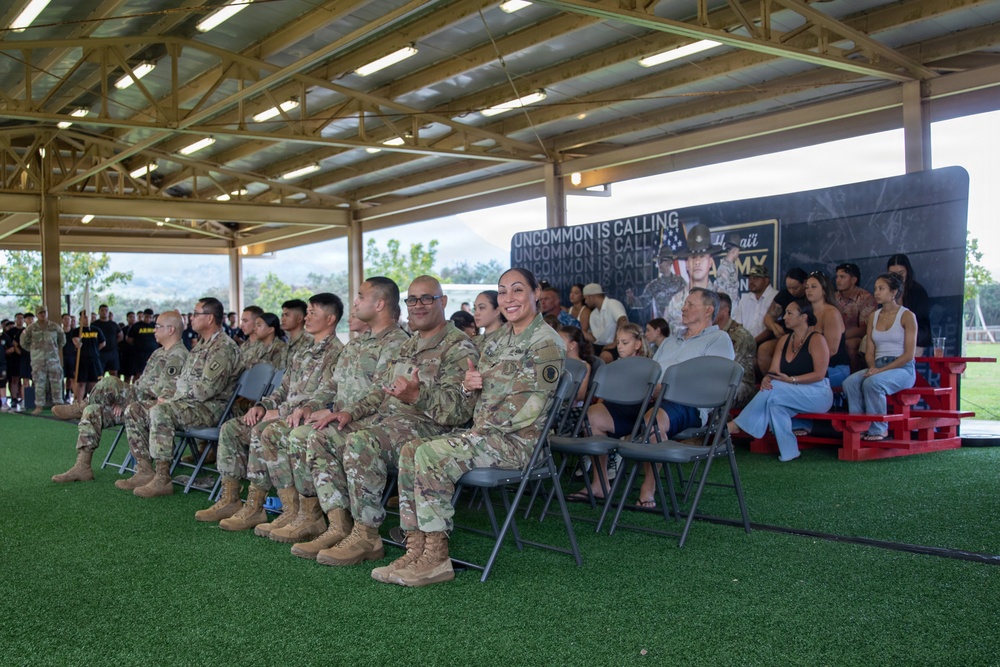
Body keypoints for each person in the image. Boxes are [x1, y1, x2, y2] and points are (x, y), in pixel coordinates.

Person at [372, 267, 565, 587]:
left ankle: (435, 558)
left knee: (432, 454)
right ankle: (416, 547)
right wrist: (469, 386)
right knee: (410, 450)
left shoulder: (545, 343)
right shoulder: (496, 339)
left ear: (535, 294)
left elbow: (532, 407)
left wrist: (480, 430)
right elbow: (475, 394)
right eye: (502, 291)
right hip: (485, 434)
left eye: (518, 290)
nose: (508, 298)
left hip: (517, 442)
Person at [297, 275, 478, 567]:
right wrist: (348, 413)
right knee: (322, 435)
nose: (418, 305)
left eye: (427, 298)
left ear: (443, 302)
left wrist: (419, 395)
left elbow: (458, 413)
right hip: (390, 421)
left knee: (361, 441)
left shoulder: (459, 347)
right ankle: (337, 525)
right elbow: (382, 392)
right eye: (412, 299)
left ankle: (367, 535)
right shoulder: (411, 345)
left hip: (431, 429)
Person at [201, 293, 345, 529]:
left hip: (306, 420)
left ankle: (284, 509)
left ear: (330, 319)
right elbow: (283, 389)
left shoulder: (337, 353)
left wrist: (279, 413)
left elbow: (324, 398)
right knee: (232, 428)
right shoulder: (303, 352)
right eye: (306, 312)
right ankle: (231, 499)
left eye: (312, 313)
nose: (306, 318)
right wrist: (263, 406)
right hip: (285, 415)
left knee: (262, 431)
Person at [121, 297, 242, 497]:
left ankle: (162, 478)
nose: (191, 318)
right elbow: (181, 380)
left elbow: (206, 390)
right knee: (135, 409)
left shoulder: (223, 348)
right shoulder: (200, 346)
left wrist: (172, 399)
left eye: (196, 314)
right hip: (189, 404)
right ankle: (143, 470)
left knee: (161, 411)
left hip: (212, 408)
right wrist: (168, 395)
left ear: (210, 318)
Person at [51, 311, 189, 483]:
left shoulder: (179, 355)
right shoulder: (158, 353)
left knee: (110, 382)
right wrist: (123, 399)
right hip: (135, 401)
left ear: (171, 330)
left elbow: (163, 395)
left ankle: (78, 407)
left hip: (149, 408)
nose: (154, 330)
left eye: (158, 326)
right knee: (92, 411)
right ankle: (82, 467)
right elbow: (141, 385)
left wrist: (128, 401)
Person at [731, 299, 833, 462]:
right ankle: (789, 452)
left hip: (819, 393)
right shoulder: (785, 339)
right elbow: (774, 371)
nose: (784, 317)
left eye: (789, 313)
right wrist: (767, 377)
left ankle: (738, 425)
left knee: (776, 387)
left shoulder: (816, 339)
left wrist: (791, 380)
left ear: (803, 317)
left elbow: (819, 374)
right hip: (791, 391)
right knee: (775, 404)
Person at [569, 321, 652, 500]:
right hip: (616, 410)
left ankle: (644, 484)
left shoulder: (649, 366)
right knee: (591, 416)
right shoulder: (614, 366)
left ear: (638, 344)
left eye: (625, 343)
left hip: (638, 413)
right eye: (618, 342)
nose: (619, 347)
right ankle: (600, 483)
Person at [842, 272, 917, 442]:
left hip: (902, 369)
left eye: (881, 289)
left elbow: (908, 355)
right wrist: (873, 367)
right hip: (877, 366)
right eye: (875, 288)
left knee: (873, 383)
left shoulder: (907, 316)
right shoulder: (873, 316)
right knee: (850, 382)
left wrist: (880, 371)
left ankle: (878, 429)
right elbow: (870, 350)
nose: (876, 292)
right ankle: (859, 426)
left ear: (894, 292)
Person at [664, 224, 722, 335]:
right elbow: (667, 337)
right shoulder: (674, 301)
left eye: (702, 256)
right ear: (686, 264)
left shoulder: (721, 297)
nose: (697, 262)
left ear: (710, 262)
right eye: (693, 257)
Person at [804, 272, 850, 389]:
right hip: (814, 367)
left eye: (813, 287)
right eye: (807, 287)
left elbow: (832, 350)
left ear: (824, 290)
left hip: (836, 368)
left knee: (798, 381)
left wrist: (804, 364)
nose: (809, 290)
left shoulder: (831, 313)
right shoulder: (805, 314)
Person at [758, 268, 808, 375]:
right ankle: (772, 384)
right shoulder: (785, 294)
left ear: (805, 283)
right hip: (785, 336)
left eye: (795, 288)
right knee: (764, 349)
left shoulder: (811, 295)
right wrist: (774, 327)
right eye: (789, 288)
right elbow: (768, 318)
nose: (792, 291)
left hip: (806, 336)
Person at [20, 307, 65, 414]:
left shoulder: (54, 327)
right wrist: (34, 351)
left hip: (53, 360)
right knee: (39, 383)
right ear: (36, 314)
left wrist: (53, 349)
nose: (42, 315)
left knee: (56, 382)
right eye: (40, 313)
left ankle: (58, 405)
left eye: (44, 312)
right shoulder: (31, 328)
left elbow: (62, 340)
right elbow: (23, 342)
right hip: (38, 360)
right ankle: (39, 406)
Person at [716, 292, 757, 409]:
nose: (708, 312)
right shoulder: (711, 332)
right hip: (718, 380)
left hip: (742, 384)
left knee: (717, 393)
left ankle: (723, 426)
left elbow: (730, 368)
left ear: (725, 310)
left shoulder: (739, 335)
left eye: (713, 308)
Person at [626, 245, 686, 321]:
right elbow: (643, 302)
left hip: (678, 325)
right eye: (658, 261)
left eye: (661, 261)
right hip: (661, 326)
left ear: (669, 262)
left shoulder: (680, 282)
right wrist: (631, 299)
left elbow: (688, 299)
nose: (658, 264)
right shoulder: (654, 285)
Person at [886, 253, 932, 354]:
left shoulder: (918, 291)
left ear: (908, 271)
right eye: (892, 274)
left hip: (914, 336)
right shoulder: (885, 291)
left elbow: (921, 322)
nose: (897, 277)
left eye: (901, 273)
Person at [834, 263, 876, 371]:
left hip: (859, 338)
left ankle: (853, 379)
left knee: (851, 344)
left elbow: (865, 328)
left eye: (842, 277)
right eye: (837, 277)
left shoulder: (865, 298)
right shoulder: (833, 297)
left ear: (854, 280)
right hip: (836, 336)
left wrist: (841, 337)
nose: (838, 280)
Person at [582, 283, 627, 362]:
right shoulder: (593, 314)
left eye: (585, 298)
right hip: (600, 345)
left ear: (592, 297)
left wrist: (615, 342)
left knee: (605, 357)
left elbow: (623, 320)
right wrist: (581, 333)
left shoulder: (612, 303)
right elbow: (595, 338)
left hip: (616, 345)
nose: (585, 301)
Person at [69, 310, 106, 401]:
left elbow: (103, 343)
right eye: (84, 317)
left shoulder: (96, 330)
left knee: (95, 382)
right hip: (81, 359)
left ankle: (95, 401)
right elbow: (75, 342)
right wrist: (78, 343)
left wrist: (94, 350)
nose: (86, 319)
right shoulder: (77, 331)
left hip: (94, 359)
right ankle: (79, 402)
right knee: (81, 382)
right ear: (80, 318)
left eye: (87, 317)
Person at [733, 265, 778, 339]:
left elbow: (774, 327)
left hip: (767, 343)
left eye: (755, 278)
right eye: (750, 278)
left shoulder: (775, 297)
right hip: (746, 345)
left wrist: (754, 342)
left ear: (766, 280)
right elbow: (738, 325)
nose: (751, 282)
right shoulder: (744, 299)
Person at [93, 304, 123, 378]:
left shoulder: (113, 324)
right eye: (102, 310)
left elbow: (120, 336)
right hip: (100, 353)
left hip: (112, 352)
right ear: (99, 312)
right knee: (100, 374)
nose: (104, 312)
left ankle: (113, 390)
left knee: (114, 374)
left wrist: (113, 343)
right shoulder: (94, 325)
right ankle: (100, 389)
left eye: (106, 310)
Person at [126, 309, 158, 378]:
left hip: (153, 353)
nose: (148, 319)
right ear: (143, 316)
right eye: (147, 317)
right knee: (139, 373)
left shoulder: (155, 326)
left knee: (153, 373)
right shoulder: (136, 326)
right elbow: (129, 339)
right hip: (139, 354)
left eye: (150, 317)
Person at [714, 233, 741, 300]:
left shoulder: (731, 266)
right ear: (734, 251)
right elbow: (721, 292)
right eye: (738, 251)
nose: (739, 253)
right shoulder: (724, 267)